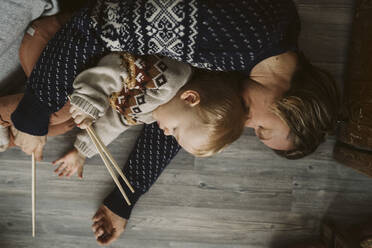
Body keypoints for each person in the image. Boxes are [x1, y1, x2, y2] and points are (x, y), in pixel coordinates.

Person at [0, 0, 339, 245]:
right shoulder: (250, 34)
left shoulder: (252, 73)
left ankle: (14, 128)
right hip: (81, 33)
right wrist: (34, 116)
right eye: (262, 129)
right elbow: (95, 25)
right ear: (291, 105)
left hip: (105, 62)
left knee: (72, 122)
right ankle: (16, 120)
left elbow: (176, 117)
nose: (248, 126)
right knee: (57, 113)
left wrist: (124, 199)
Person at [54, 52, 246, 177]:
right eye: (176, 130)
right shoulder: (168, 79)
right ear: (189, 98)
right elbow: (118, 65)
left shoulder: (154, 114)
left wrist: (82, 151)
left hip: (89, 90)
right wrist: (89, 102)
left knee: (54, 127)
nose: (168, 133)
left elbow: (116, 121)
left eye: (174, 136)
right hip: (87, 70)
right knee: (52, 118)